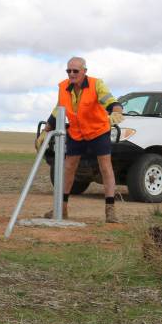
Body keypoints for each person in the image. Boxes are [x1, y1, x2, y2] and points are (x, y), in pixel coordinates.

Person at [40, 56, 124, 223]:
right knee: (69, 166)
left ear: (84, 71)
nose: (71, 74)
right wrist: (45, 130)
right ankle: (61, 209)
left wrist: (117, 112)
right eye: (69, 71)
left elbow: (111, 101)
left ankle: (110, 211)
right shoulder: (63, 87)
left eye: (75, 71)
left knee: (105, 167)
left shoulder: (96, 84)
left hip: (98, 131)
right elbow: (58, 110)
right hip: (77, 133)